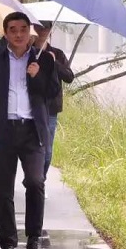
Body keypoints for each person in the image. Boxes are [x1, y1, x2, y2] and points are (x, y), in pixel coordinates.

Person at [0, 12, 60, 249]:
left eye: (23, 29)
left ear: (30, 31)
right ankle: (7, 243)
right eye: (13, 29)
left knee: (35, 182)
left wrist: (38, 75)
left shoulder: (43, 58)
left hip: (32, 130)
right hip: (3, 129)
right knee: (3, 188)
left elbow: (53, 93)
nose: (19, 34)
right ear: (6, 33)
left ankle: (34, 239)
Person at [33, 22, 75, 177]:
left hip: (51, 108)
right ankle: (33, 178)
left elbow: (69, 77)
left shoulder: (57, 53)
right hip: (31, 107)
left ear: (51, 31)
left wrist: (54, 62)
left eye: (46, 27)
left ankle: (40, 179)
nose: (43, 30)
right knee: (32, 148)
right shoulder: (29, 52)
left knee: (47, 150)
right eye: (39, 27)